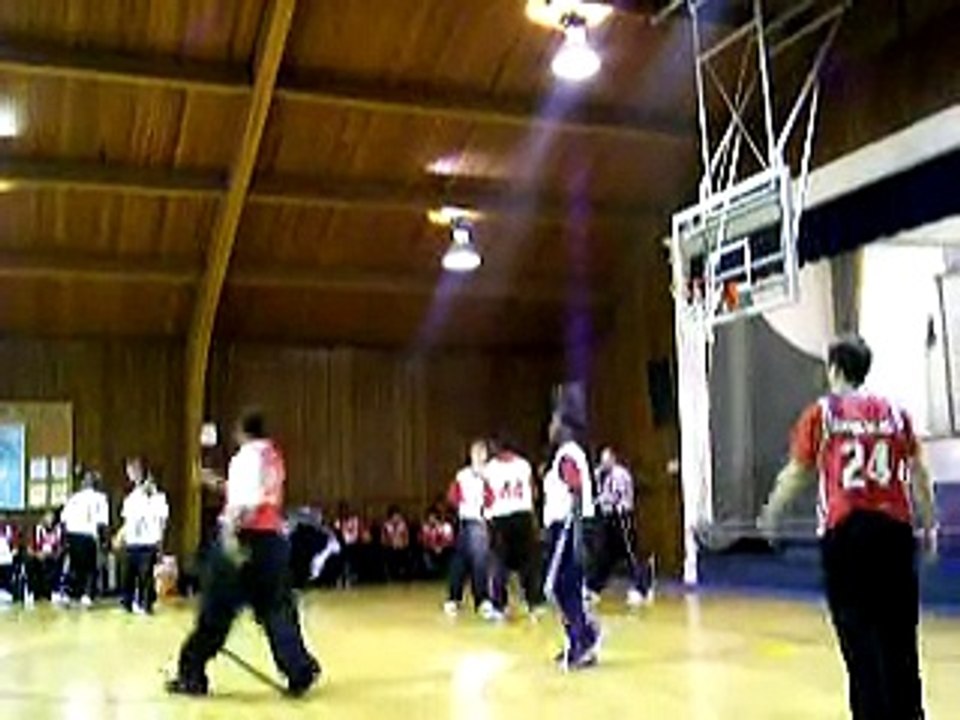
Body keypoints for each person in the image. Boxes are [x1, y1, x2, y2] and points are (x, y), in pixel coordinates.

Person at [759, 335, 936, 720]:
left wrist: (772, 512)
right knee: (900, 641)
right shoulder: (896, 413)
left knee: (859, 644)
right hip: (894, 533)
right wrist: (930, 523)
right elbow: (918, 474)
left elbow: (797, 473)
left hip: (847, 535)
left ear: (835, 369)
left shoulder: (823, 413)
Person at [166, 409, 320, 698]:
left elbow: (244, 504)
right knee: (277, 609)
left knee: (216, 611)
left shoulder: (245, 457)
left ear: (241, 431)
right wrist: (217, 483)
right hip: (272, 542)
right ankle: (298, 668)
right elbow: (255, 495)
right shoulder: (272, 456)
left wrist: (229, 536)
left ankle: (191, 673)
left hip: (244, 539)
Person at [543, 385, 601, 670]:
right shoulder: (569, 454)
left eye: (554, 420)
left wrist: (573, 532)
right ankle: (581, 637)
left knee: (561, 586)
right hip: (567, 526)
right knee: (567, 588)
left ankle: (581, 639)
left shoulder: (567, 454)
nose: (550, 427)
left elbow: (575, 490)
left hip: (568, 527)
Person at [485, 437, 544, 620]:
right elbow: (533, 491)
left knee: (499, 563)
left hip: (501, 517)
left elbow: (487, 496)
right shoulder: (523, 465)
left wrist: (487, 517)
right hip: (522, 515)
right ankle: (533, 603)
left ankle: (499, 606)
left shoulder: (490, 468)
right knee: (528, 563)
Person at [586, 447, 653, 608]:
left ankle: (642, 589)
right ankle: (594, 588)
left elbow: (615, 496)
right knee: (604, 555)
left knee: (630, 553)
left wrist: (597, 501)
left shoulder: (620, 474)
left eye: (607, 460)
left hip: (622, 517)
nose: (604, 463)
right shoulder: (601, 474)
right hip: (607, 518)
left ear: (613, 459)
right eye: (602, 460)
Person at [444, 439, 494, 616]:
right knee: (460, 561)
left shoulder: (491, 473)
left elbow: (493, 498)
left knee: (480, 562)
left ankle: (482, 599)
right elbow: (452, 497)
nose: (479, 456)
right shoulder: (463, 475)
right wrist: (463, 503)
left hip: (481, 522)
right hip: (466, 521)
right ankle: (454, 598)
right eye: (476, 452)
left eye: (482, 452)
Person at [118, 459, 169, 614]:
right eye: (129, 471)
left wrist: (160, 544)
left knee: (145, 577)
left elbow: (162, 522)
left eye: (134, 471)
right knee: (128, 576)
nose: (131, 475)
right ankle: (127, 603)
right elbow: (127, 521)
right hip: (132, 542)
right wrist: (120, 537)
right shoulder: (131, 497)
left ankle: (145, 605)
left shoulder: (159, 498)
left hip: (149, 542)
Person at [61, 471, 109, 607]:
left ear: (84, 483)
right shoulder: (101, 498)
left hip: (73, 534)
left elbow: (64, 519)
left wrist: (65, 540)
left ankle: (69, 594)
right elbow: (102, 522)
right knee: (90, 567)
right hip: (88, 535)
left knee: (75, 565)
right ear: (96, 484)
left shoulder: (74, 497)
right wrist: (104, 541)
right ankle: (87, 595)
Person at [381, 506, 410, 581]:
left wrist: (402, 544)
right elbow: (383, 540)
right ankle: (391, 575)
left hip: (401, 548)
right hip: (390, 547)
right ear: (391, 516)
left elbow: (407, 539)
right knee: (388, 554)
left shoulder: (403, 525)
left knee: (405, 554)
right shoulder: (386, 526)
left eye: (398, 515)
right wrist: (391, 543)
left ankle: (403, 574)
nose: (397, 517)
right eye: (395, 516)